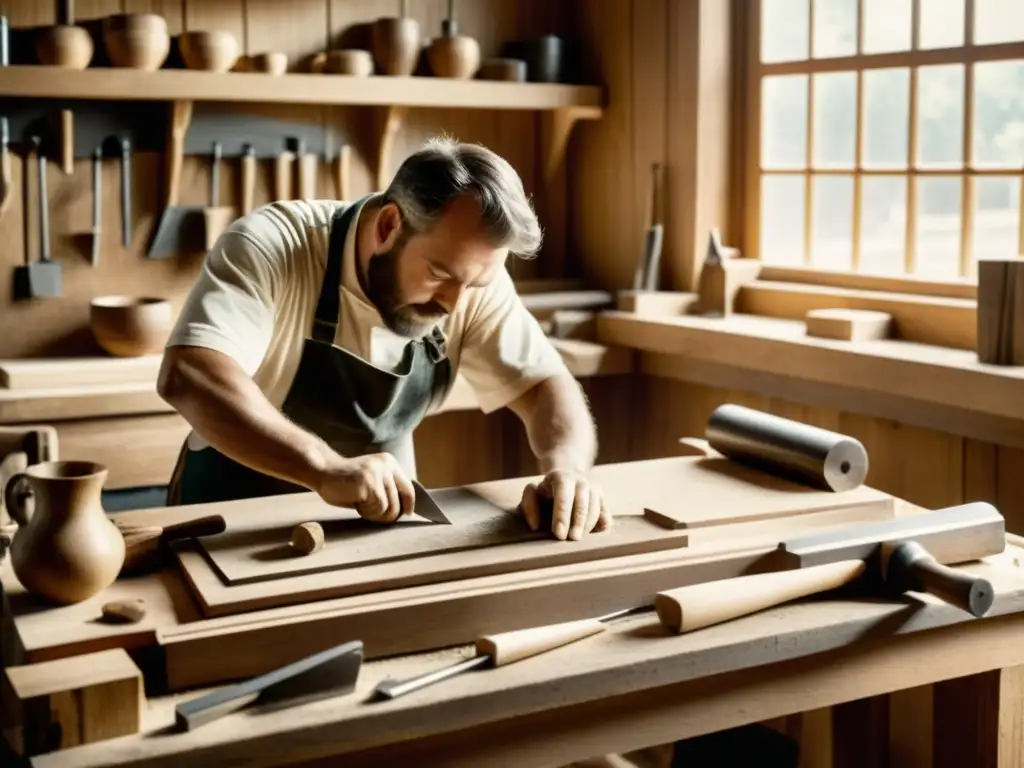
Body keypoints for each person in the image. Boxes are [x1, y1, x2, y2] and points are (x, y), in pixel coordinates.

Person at [157, 137, 611, 541]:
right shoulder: (273, 245)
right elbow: (190, 373)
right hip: (233, 523)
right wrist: (325, 468)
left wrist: (566, 470)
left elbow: (544, 385)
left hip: (373, 530)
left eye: (471, 286)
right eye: (438, 274)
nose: (454, 305)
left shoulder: (468, 282)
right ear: (389, 225)